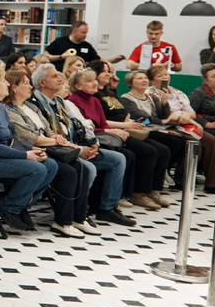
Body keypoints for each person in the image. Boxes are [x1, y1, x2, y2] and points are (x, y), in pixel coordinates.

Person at [29, 64, 132, 226]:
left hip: (75, 145)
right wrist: (78, 150)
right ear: (42, 83)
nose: (61, 79)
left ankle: (106, 209)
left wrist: (94, 144)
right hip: (56, 150)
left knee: (118, 159)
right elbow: (43, 136)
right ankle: (79, 211)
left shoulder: (62, 102)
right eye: (55, 76)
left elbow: (83, 125)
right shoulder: (34, 104)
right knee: (87, 168)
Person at [2, 70, 96, 238]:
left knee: (82, 168)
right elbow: (28, 137)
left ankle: (78, 218)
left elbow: (48, 128)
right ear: (14, 88)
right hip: (29, 150)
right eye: (26, 83)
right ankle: (62, 221)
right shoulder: (9, 110)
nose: (31, 86)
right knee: (68, 172)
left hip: (49, 146)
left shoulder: (30, 106)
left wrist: (54, 136)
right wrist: (56, 141)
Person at [0, 68, 60, 230]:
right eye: (3, 81)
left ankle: (22, 205)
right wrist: (25, 155)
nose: (7, 83)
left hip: (0, 155)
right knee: (36, 169)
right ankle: (9, 207)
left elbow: (9, 139)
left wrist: (33, 149)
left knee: (50, 165)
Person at [67, 69, 162, 211]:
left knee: (137, 152)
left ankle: (115, 201)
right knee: (128, 154)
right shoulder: (73, 101)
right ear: (78, 86)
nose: (94, 83)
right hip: (88, 140)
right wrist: (110, 130)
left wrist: (114, 131)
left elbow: (102, 123)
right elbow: (82, 129)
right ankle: (111, 200)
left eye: (94, 79)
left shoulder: (94, 100)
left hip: (101, 136)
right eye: (89, 81)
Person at [92, 61, 175, 209]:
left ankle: (151, 190)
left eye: (145, 78)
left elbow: (161, 114)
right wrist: (161, 120)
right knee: (149, 151)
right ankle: (138, 193)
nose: (109, 74)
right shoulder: (124, 98)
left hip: (131, 127)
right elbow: (146, 118)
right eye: (104, 71)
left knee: (165, 149)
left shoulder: (148, 97)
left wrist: (164, 103)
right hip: (122, 130)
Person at [147, 62, 215, 193]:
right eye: (159, 75)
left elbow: (192, 112)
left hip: (186, 124)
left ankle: (212, 183)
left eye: (166, 74)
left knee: (212, 141)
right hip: (165, 126)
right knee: (193, 144)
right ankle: (182, 180)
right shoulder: (150, 93)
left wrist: (185, 119)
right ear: (152, 80)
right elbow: (158, 116)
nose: (164, 77)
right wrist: (181, 118)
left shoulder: (177, 92)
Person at [45, 21, 125, 71]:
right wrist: (61, 57)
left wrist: (113, 60)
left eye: (86, 32)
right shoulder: (60, 41)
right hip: (60, 73)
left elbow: (97, 61)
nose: (85, 35)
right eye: (83, 32)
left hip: (78, 77)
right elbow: (45, 57)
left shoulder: (87, 46)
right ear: (74, 31)